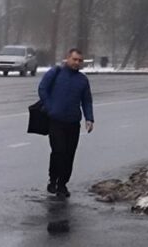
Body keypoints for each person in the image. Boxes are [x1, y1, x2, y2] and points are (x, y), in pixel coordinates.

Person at [38, 48, 94, 198]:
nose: (77, 63)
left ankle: (62, 184)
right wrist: (50, 108)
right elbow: (42, 89)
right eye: (74, 59)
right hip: (56, 121)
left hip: (73, 123)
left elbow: (87, 100)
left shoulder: (82, 80)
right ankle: (53, 179)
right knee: (59, 151)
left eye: (79, 60)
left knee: (69, 154)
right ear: (67, 59)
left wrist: (89, 118)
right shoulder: (55, 73)